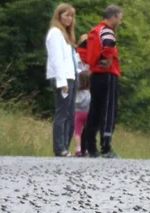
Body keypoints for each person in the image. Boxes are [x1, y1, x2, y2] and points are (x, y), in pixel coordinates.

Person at [85, 5, 123, 159]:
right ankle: (106, 146)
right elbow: (108, 46)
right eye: (120, 17)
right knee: (108, 110)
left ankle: (91, 146)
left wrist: (95, 63)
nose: (120, 21)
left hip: (96, 74)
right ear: (113, 16)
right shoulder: (107, 30)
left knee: (95, 109)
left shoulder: (95, 30)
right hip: (107, 74)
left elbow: (83, 50)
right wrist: (106, 58)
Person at [46, 3, 78, 157]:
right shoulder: (55, 33)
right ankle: (59, 147)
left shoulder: (67, 35)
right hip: (63, 78)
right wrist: (62, 81)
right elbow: (56, 59)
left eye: (71, 16)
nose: (69, 19)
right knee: (62, 113)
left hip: (71, 77)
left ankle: (65, 145)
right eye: (66, 15)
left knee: (71, 114)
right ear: (59, 16)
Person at [74, 70, 91, 157]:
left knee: (77, 132)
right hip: (88, 113)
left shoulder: (77, 92)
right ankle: (87, 149)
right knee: (87, 131)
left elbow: (75, 102)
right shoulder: (90, 92)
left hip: (78, 113)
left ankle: (78, 150)